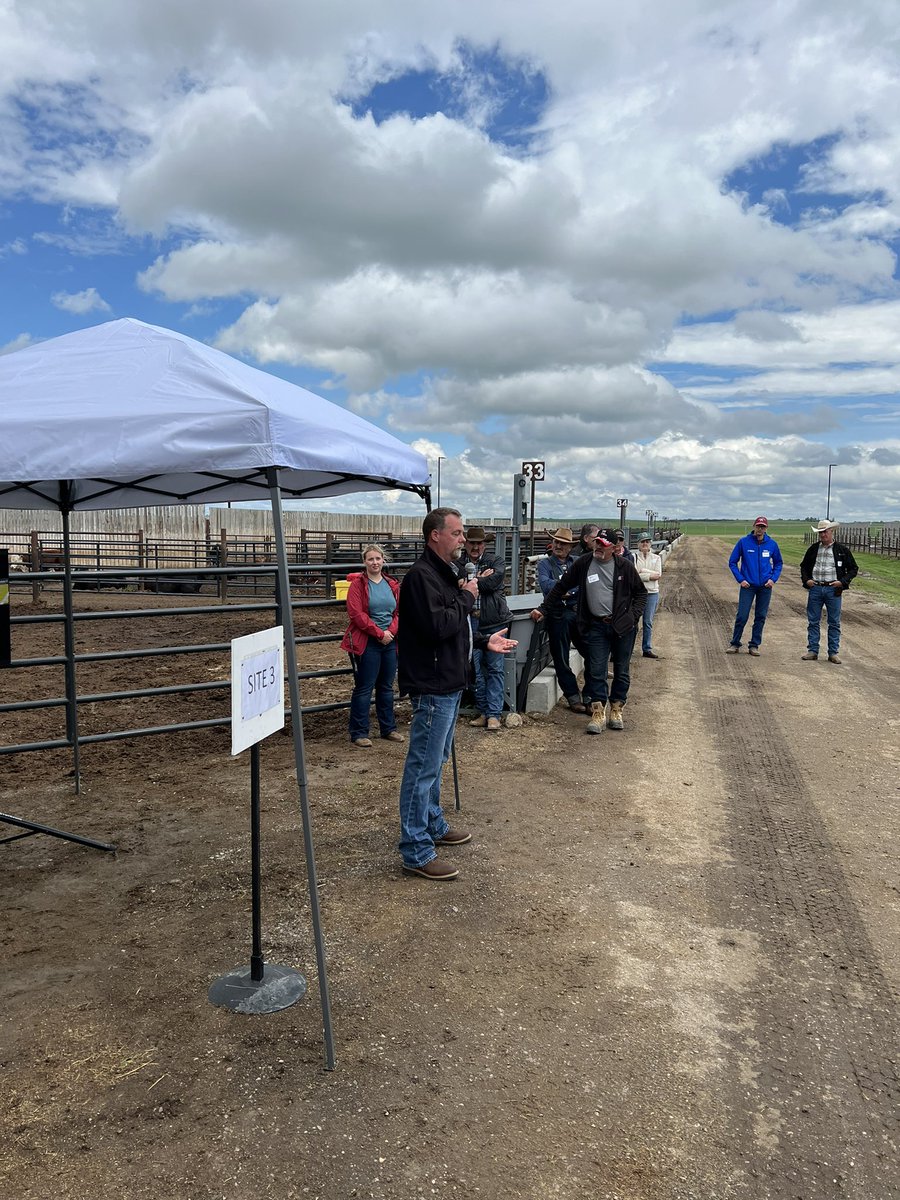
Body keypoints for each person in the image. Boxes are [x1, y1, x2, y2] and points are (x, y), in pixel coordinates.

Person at [397, 508, 517, 881]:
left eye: (463, 534)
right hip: (433, 685)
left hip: (448, 681)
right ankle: (415, 849)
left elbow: (456, 628)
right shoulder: (421, 577)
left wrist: (483, 641)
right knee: (423, 768)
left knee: (436, 763)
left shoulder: (442, 573)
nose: (463, 539)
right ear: (435, 535)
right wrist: (467, 597)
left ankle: (432, 823)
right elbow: (437, 627)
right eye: (458, 533)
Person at [531, 527, 646, 734]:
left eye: (603, 545)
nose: (598, 548)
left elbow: (641, 595)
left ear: (612, 548)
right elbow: (560, 587)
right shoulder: (584, 563)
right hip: (596, 625)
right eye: (596, 543)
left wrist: (632, 617)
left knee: (621, 669)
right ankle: (598, 711)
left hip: (622, 627)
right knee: (596, 669)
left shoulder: (625, 567)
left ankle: (617, 708)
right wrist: (543, 608)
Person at [340, 544, 403, 748]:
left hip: (389, 641)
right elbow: (356, 614)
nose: (375, 562)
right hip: (369, 641)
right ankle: (359, 731)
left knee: (386, 686)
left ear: (383, 560)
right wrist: (379, 633)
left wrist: (391, 632)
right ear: (364, 562)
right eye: (370, 559)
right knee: (364, 687)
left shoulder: (392, 584)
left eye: (378, 559)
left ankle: (388, 728)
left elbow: (399, 612)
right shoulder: (358, 585)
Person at [458, 526, 513, 732]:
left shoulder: (495, 561)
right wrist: (481, 578)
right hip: (469, 620)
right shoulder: (458, 563)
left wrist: (472, 581)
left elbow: (494, 581)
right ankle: (484, 710)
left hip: (492, 621)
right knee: (474, 668)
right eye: (471, 542)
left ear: (484, 544)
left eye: (479, 543)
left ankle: (493, 714)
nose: (475, 546)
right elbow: (455, 586)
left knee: (494, 667)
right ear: (466, 544)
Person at [535, 527, 588, 712]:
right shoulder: (544, 564)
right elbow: (545, 584)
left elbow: (585, 584)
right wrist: (566, 587)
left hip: (576, 612)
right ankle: (573, 696)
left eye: (563, 544)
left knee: (590, 652)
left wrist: (565, 589)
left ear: (570, 547)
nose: (558, 546)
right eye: (557, 542)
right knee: (561, 657)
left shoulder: (578, 562)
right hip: (556, 614)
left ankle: (589, 695)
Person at [800, 519, 858, 664]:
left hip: (833, 590)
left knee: (834, 622)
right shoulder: (813, 549)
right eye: (820, 532)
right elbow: (804, 566)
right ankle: (813, 651)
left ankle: (833, 653)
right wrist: (807, 580)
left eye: (825, 531)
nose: (823, 534)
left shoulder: (842, 550)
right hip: (816, 588)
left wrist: (842, 582)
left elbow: (853, 569)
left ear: (832, 532)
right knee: (813, 621)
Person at [726, 516, 783, 656]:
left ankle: (754, 645)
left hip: (765, 587)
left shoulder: (772, 544)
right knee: (742, 615)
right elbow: (732, 562)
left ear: (766, 528)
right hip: (748, 586)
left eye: (763, 527)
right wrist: (741, 579)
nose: (760, 529)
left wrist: (773, 579)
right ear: (754, 526)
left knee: (760, 616)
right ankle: (735, 643)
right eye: (758, 526)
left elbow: (778, 563)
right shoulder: (743, 542)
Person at [633, 534, 663, 658]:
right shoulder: (634, 557)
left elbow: (658, 575)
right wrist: (649, 575)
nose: (645, 544)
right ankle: (629, 648)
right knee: (633, 622)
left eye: (647, 541)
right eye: (642, 542)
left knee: (647, 622)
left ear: (650, 544)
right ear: (638, 544)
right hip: (638, 594)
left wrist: (643, 572)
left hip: (652, 593)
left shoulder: (656, 558)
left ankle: (647, 648)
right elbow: (634, 575)